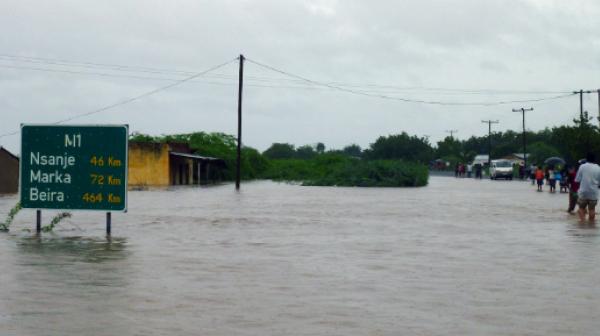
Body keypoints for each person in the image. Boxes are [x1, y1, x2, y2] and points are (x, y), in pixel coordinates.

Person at [575, 153, 600, 222]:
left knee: (581, 208)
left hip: (583, 192)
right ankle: (591, 224)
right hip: (594, 193)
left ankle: (583, 222)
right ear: (595, 159)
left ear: (586, 159)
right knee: (592, 209)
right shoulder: (598, 168)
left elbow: (577, 180)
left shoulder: (582, 166)